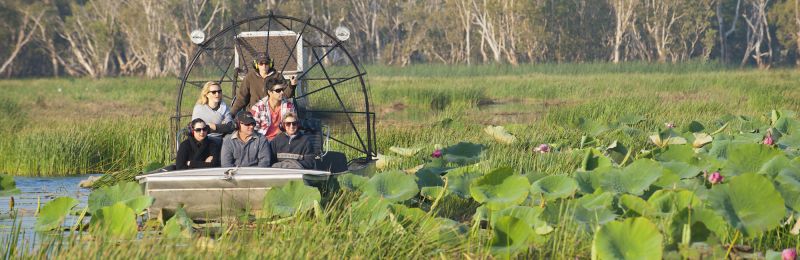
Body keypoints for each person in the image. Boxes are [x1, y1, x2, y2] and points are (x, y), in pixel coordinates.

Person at [230, 52, 298, 115]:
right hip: (254, 113)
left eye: (266, 63)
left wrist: (292, 85)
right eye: (261, 63)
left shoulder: (277, 76)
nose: (264, 66)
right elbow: (241, 98)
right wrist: (231, 114)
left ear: (270, 64)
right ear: (256, 65)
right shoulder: (250, 77)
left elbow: (285, 95)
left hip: (273, 112)